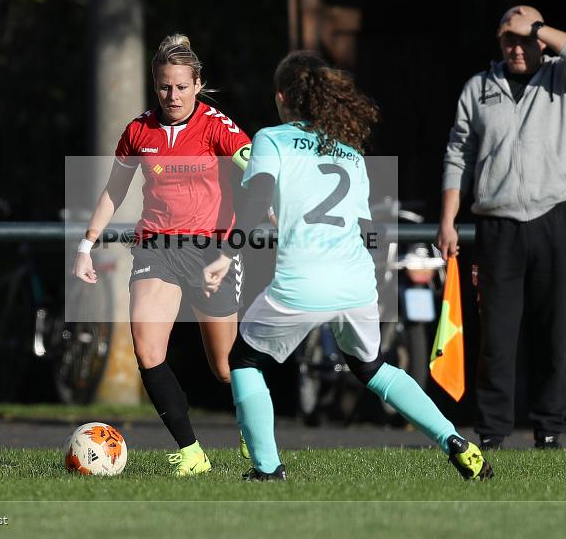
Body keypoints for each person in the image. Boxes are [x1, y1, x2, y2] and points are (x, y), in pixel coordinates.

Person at [203, 51, 493, 482]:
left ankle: (266, 469)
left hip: (303, 280)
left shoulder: (271, 139)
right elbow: (365, 227)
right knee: (373, 368)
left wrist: (227, 252)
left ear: (282, 96)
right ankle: (456, 441)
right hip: (356, 281)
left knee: (245, 360)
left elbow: (255, 201)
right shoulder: (350, 150)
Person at [73, 34, 252, 476]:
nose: (172, 96)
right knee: (148, 350)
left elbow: (260, 174)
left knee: (226, 369)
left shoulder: (218, 128)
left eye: (180, 87)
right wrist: (85, 245)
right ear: (156, 86)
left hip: (211, 251)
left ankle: (256, 436)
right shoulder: (139, 130)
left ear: (197, 84)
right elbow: (114, 192)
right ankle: (191, 453)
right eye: (164, 87)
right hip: (157, 247)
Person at [437, 5, 566, 450]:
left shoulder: (565, 80)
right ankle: (492, 432)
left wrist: (537, 29)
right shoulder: (478, 87)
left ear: (541, 38)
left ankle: (549, 429)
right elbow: (459, 155)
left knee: (555, 331)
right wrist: (448, 220)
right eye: (507, 39)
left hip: (557, 218)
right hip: (498, 225)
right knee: (497, 334)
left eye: (525, 38)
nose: (516, 46)